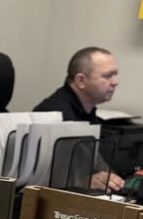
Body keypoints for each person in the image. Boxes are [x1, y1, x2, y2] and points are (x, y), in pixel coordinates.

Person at [34, 47, 124, 192]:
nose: (115, 82)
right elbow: (41, 181)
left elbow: (96, 164)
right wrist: (83, 182)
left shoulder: (88, 112)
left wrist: (116, 181)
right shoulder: (53, 115)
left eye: (115, 75)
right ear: (81, 80)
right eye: (108, 76)